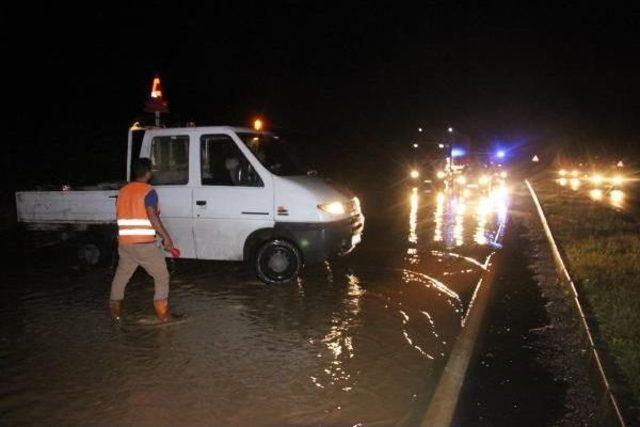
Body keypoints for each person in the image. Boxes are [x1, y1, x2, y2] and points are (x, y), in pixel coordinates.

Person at [109, 158, 174, 322]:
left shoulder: (122, 191)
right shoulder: (148, 191)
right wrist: (167, 238)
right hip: (144, 244)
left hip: (125, 243)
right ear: (148, 172)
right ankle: (163, 315)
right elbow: (152, 216)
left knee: (122, 276)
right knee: (161, 276)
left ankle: (115, 312)